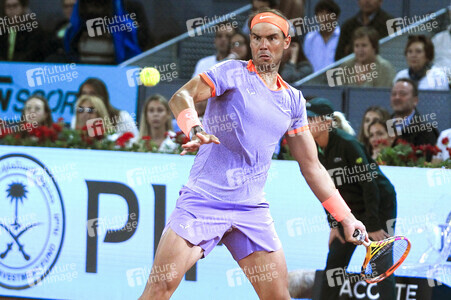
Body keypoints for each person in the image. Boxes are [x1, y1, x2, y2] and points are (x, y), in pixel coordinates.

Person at [139, 9, 368, 300]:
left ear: (286, 43)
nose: (263, 45)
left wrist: (346, 218)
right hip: (204, 200)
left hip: (250, 210)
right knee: (159, 288)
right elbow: (180, 96)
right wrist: (193, 126)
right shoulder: (230, 72)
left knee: (278, 296)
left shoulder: (293, 101)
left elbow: (313, 167)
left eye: (272, 38)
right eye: (256, 38)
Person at [305, 97, 397, 300]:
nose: (307, 123)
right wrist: (334, 224)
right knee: (334, 265)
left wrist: (372, 225)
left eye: (313, 119)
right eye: (306, 118)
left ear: (327, 122)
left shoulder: (348, 144)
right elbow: (324, 190)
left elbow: (370, 185)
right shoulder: (311, 148)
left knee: (380, 265)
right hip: (349, 213)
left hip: (379, 205)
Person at [64, 0, 141, 64]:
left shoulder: (124, 26)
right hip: (82, 74)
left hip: (114, 75)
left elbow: (133, 59)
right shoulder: (74, 28)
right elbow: (70, 54)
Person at [72, 78, 139, 141]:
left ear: (103, 96)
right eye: (84, 93)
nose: (87, 97)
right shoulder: (77, 118)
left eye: (92, 94)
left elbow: (135, 141)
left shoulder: (122, 116)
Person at [390, 78, 439, 147]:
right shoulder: (384, 127)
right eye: (394, 94)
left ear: (415, 101)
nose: (397, 97)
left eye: (402, 94)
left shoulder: (426, 131)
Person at [303, 0, 341, 72]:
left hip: (336, 79)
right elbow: (306, 62)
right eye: (321, 13)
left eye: (328, 13)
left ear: (336, 17)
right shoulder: (310, 37)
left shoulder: (341, 36)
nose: (324, 17)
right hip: (312, 80)